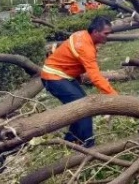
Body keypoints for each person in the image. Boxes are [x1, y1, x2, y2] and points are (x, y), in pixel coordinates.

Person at [40, 16, 117, 147]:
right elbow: (95, 77)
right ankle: (88, 145)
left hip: (61, 75)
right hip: (54, 77)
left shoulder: (83, 35)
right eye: (106, 33)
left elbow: (70, 57)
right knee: (84, 107)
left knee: (78, 105)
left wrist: (76, 75)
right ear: (95, 32)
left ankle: (71, 139)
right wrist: (113, 96)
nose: (108, 36)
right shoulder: (85, 47)